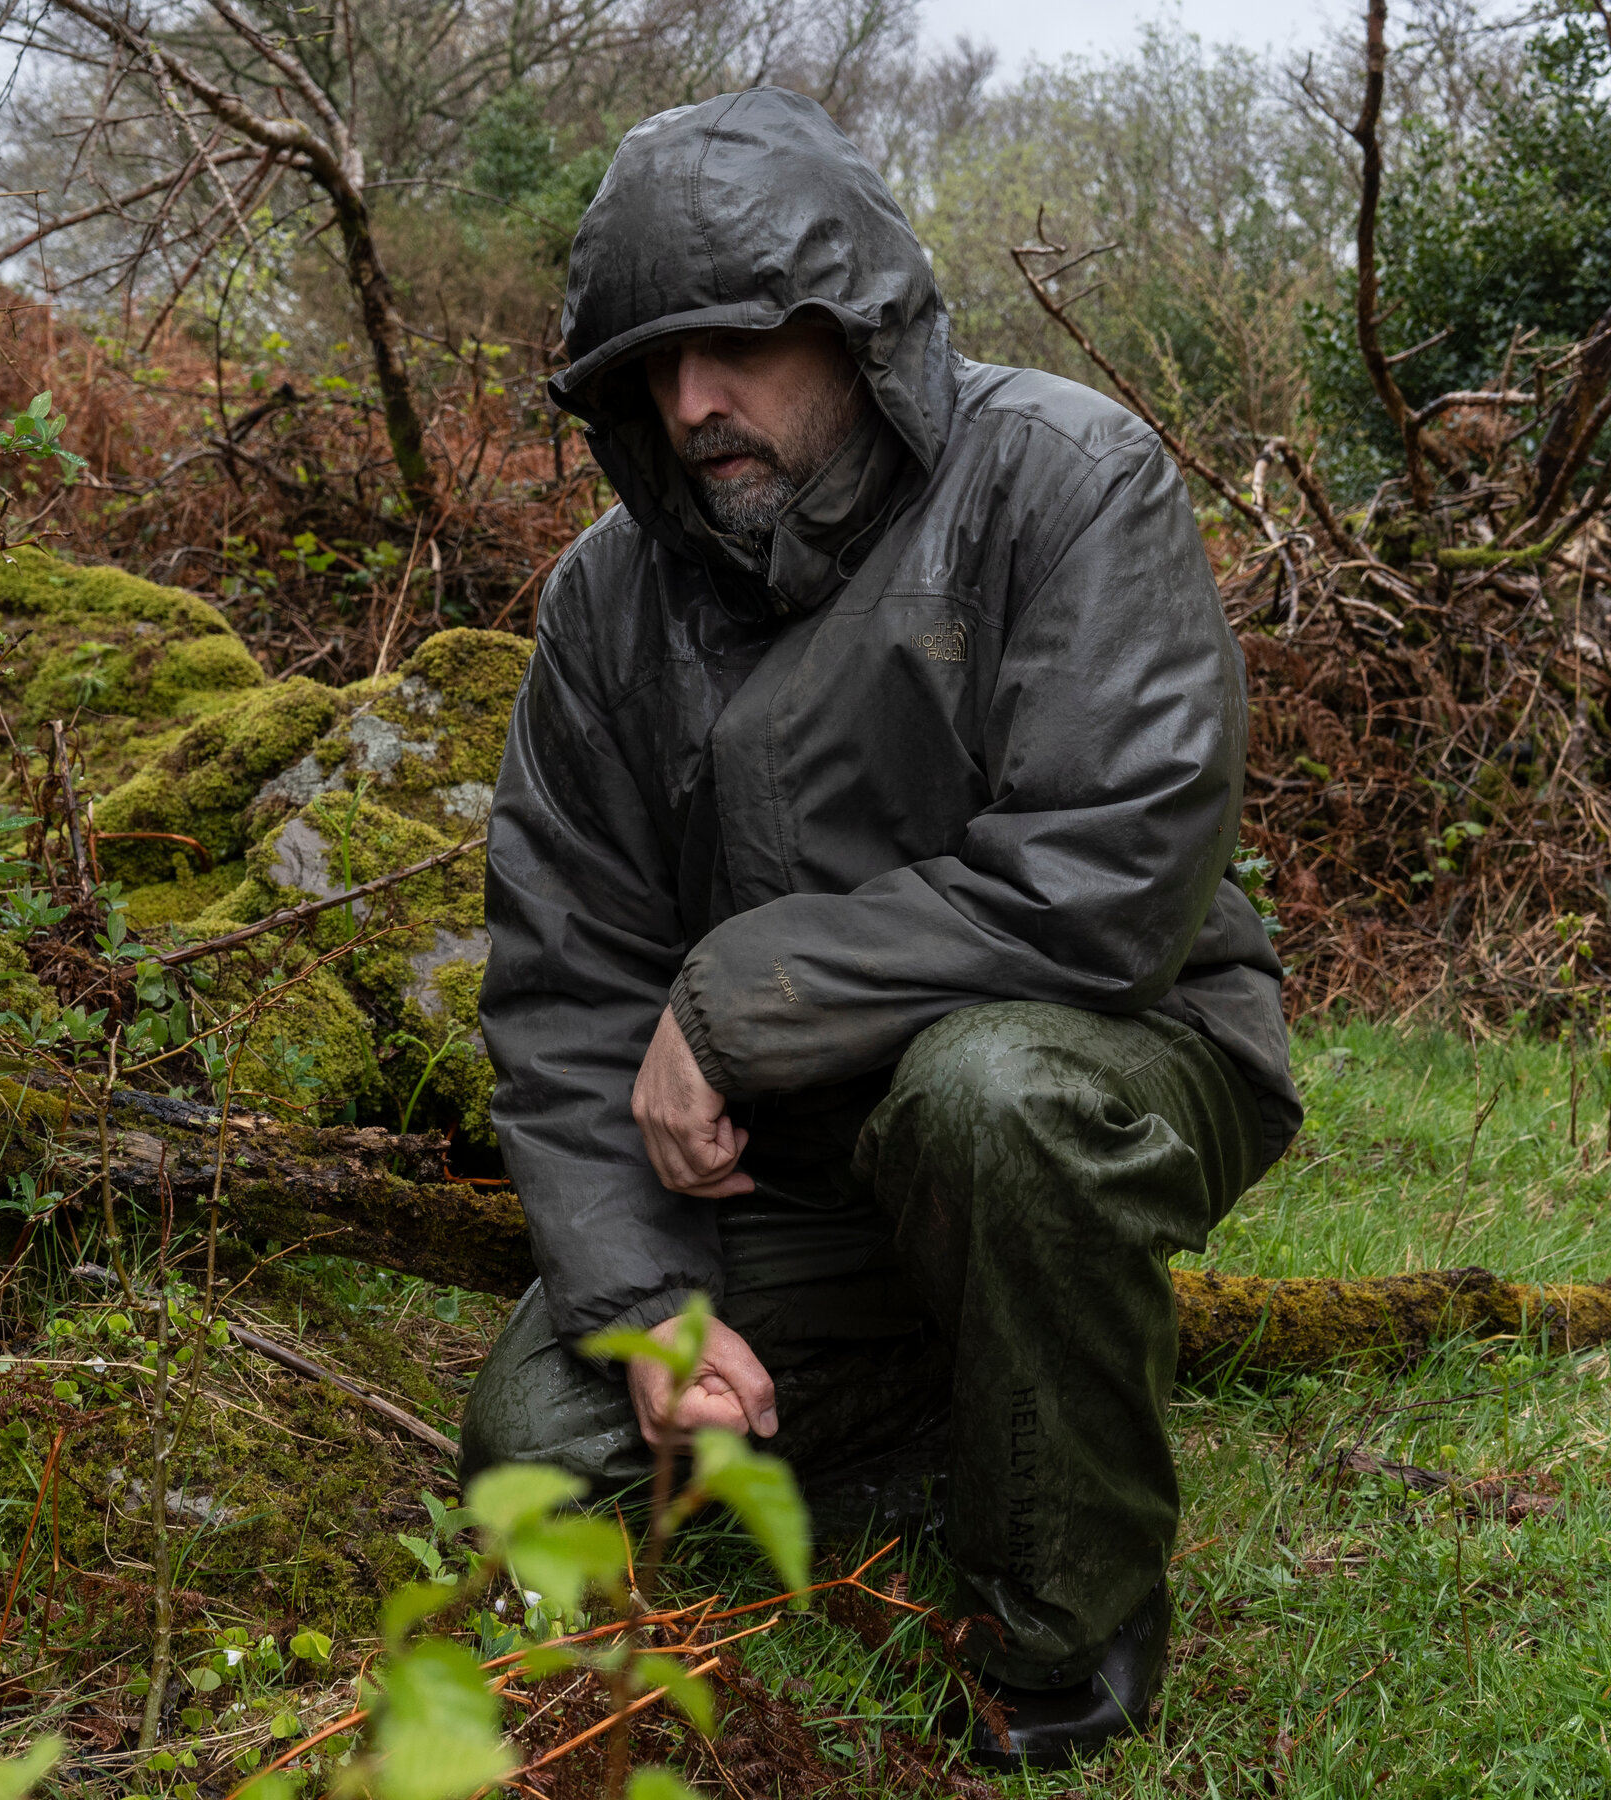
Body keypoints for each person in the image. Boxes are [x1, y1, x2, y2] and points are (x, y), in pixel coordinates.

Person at [460, 86, 1300, 1769]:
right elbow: (564, 987)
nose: (695, 404)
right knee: (532, 1461)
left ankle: (1069, 1625)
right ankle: (954, 1374)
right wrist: (651, 1304)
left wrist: (734, 1007)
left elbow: (1111, 874)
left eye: (737, 347)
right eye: (653, 368)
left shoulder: (1065, 480)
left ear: (852, 321)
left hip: (1114, 1061)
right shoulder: (602, 605)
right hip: (798, 1173)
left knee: (988, 1099)